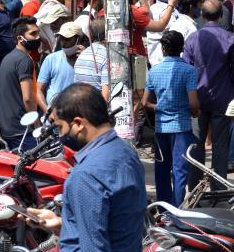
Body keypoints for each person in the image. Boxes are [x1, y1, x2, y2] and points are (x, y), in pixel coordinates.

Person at [28, 84, 146, 252]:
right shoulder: (127, 153)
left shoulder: (85, 175)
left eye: (60, 127)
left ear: (78, 123)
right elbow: (113, 224)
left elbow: (93, 247)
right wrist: (63, 223)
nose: (60, 135)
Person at [183, 0, 234, 189]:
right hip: (222, 99)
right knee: (220, 146)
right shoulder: (230, 38)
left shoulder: (193, 39)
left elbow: (186, 70)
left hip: (197, 100)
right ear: (221, 16)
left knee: (196, 144)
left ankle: (194, 188)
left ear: (202, 15)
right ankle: (218, 189)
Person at [142, 30, 199, 206]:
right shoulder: (189, 71)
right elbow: (193, 103)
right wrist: (194, 113)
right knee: (180, 171)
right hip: (182, 128)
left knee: (161, 170)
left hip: (161, 129)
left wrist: (159, 107)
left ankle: (164, 210)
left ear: (163, 49)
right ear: (182, 48)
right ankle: (177, 207)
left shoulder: (154, 71)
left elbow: (144, 102)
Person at [0, 17, 41, 150]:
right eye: (33, 34)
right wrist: (37, 124)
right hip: (23, 131)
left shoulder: (8, 57)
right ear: (20, 38)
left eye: (38, 33)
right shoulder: (24, 61)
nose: (38, 37)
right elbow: (28, 98)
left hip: (8, 129)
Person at [38, 22, 86, 113]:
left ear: (79, 39)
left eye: (68, 39)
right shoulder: (51, 59)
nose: (64, 43)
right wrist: (48, 113)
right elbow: (38, 90)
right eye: (61, 39)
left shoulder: (88, 60)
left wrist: (86, 57)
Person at [73, 17, 110, 100]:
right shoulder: (106, 56)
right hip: (96, 106)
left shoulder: (82, 55)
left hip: (81, 104)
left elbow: (75, 89)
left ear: (90, 35)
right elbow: (105, 97)